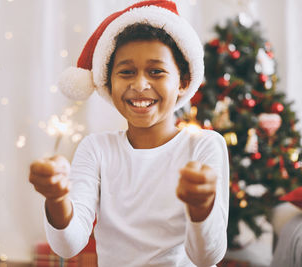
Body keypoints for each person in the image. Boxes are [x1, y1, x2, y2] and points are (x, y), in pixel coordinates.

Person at [29, 1, 229, 266]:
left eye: (156, 71)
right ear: (109, 83)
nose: (140, 84)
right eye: (126, 72)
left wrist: (202, 207)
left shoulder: (205, 146)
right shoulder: (96, 149)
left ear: (182, 81)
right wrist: (56, 198)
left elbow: (206, 257)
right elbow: (68, 244)